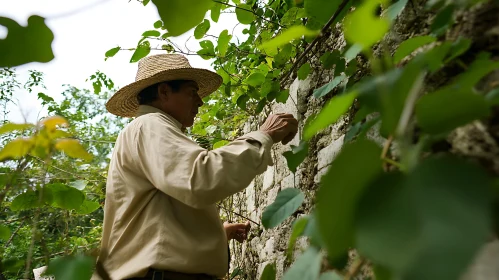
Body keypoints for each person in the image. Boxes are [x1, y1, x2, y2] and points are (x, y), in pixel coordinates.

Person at [93, 54, 298, 280]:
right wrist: (263, 136)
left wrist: (217, 233)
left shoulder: (145, 130)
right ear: (164, 92)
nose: (200, 101)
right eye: (192, 92)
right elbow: (200, 177)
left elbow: (159, 217)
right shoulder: (150, 125)